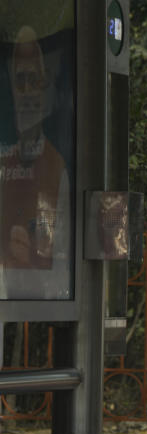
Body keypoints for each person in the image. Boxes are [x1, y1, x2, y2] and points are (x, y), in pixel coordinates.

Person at [1, 25, 71, 300]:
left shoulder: (57, 166)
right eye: (21, 80)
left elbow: (62, 248)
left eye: (35, 80)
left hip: (43, 297)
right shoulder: (3, 160)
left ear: (45, 88)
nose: (28, 91)